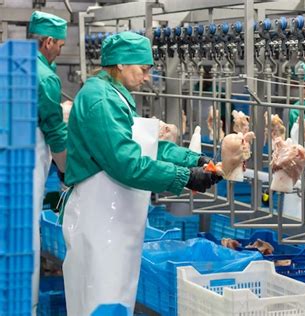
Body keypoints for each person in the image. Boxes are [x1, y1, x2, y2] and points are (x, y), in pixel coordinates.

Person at [61, 32, 220, 315]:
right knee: (102, 302)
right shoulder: (101, 100)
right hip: (101, 223)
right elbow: (127, 164)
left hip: (113, 222)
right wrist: (185, 177)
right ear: (121, 63)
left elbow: (145, 146)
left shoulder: (114, 95)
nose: (147, 77)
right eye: (143, 69)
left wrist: (194, 159)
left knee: (115, 298)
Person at [28, 11, 68, 314]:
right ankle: (27, 305)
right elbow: (54, 130)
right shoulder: (45, 77)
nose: (60, 51)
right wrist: (68, 170)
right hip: (29, 163)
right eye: (59, 45)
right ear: (48, 41)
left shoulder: (12, 67)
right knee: (27, 234)